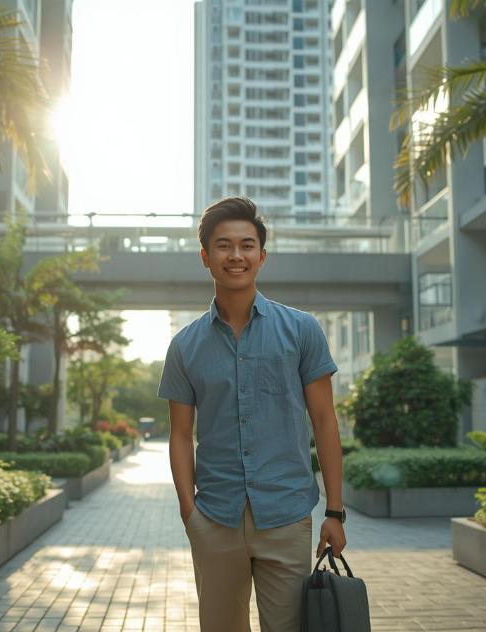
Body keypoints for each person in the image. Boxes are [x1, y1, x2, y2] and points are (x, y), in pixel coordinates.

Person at [158, 197, 348, 632]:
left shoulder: (302, 330)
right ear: (205, 256)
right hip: (216, 518)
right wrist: (190, 513)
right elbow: (180, 434)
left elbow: (324, 421)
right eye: (224, 246)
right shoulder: (185, 346)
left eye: (247, 245)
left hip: (286, 514)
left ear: (262, 256)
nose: (236, 255)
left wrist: (334, 513)